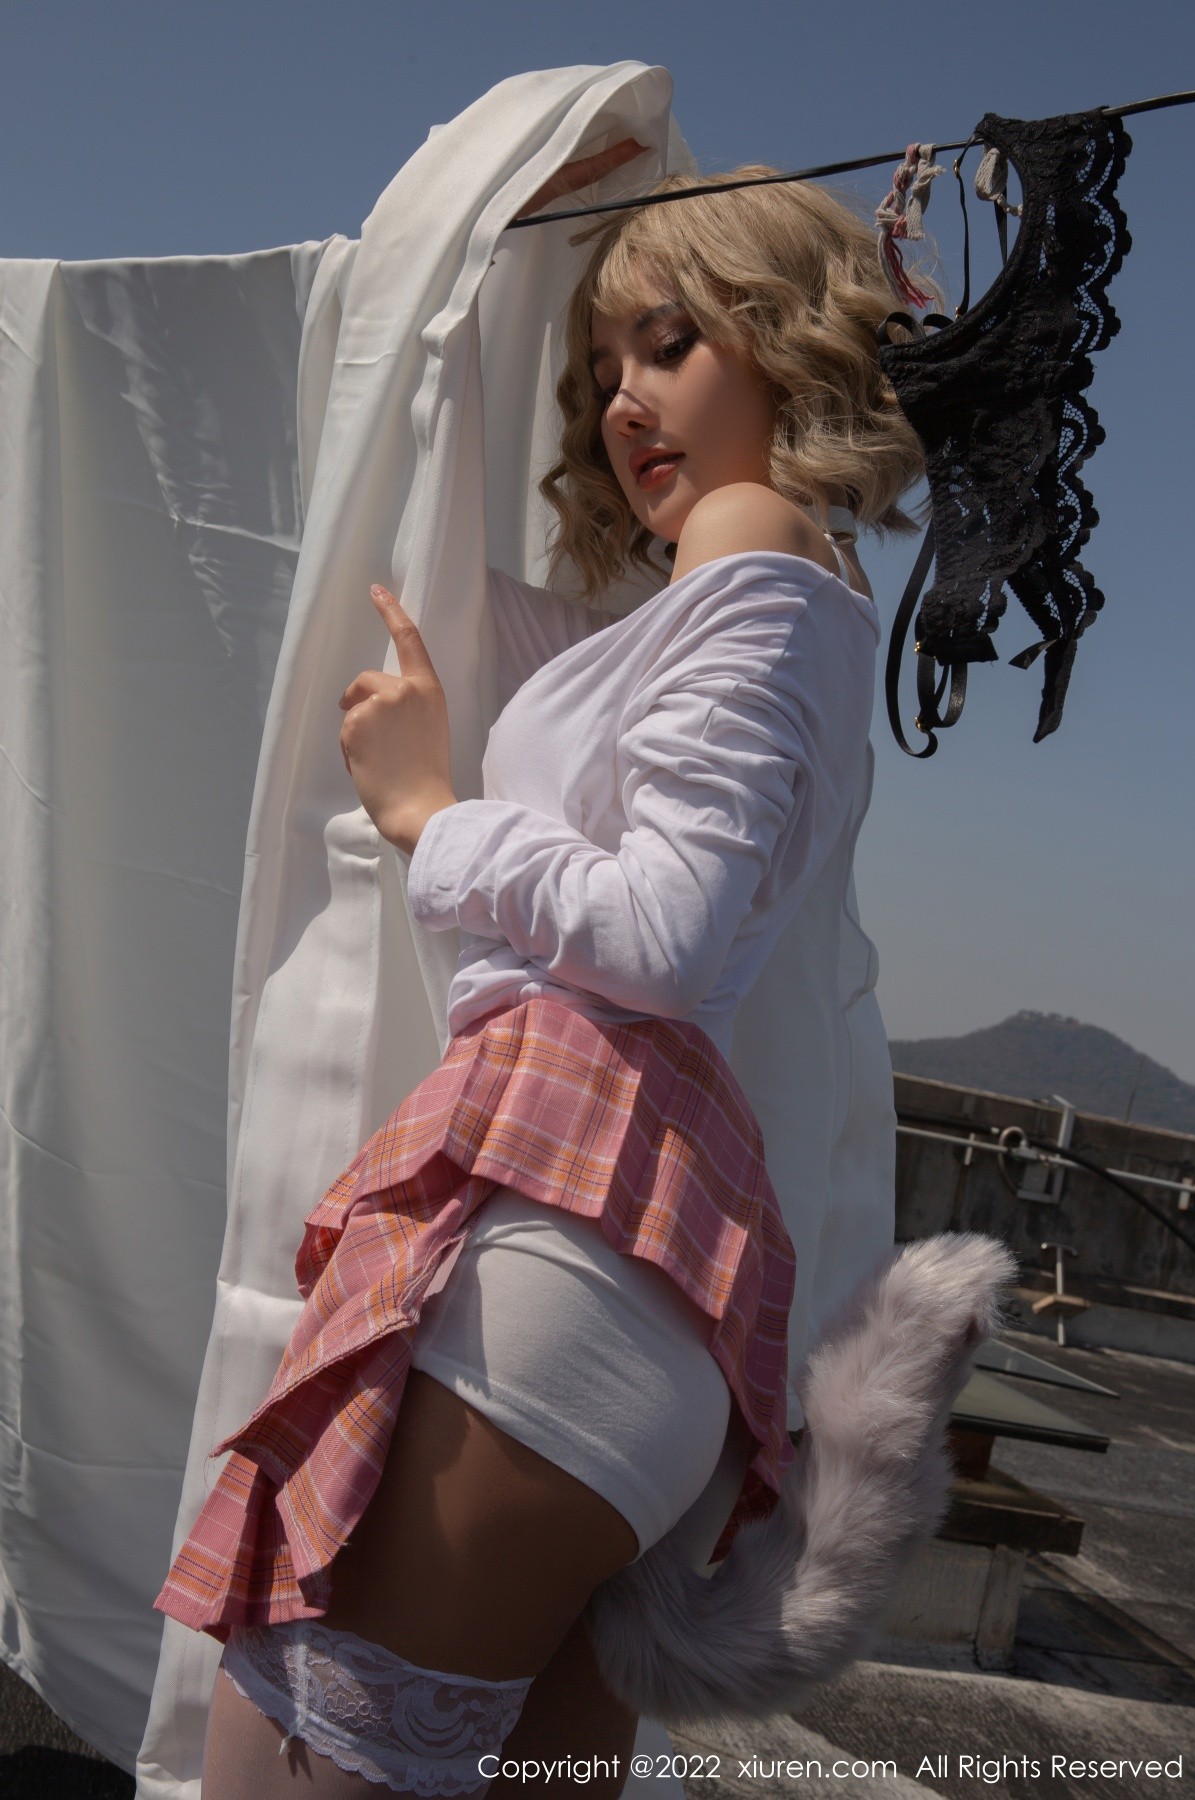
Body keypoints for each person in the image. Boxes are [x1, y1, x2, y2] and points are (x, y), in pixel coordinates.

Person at [166, 140, 925, 1799]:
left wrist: (433, 818)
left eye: (672, 342)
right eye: (601, 365)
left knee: (279, 1767)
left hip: (558, 1250)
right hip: (631, 1286)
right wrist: (501, 254)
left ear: (781, 339)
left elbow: (664, 930)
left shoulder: (751, 544)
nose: (625, 399)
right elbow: (510, 630)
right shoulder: (754, 598)